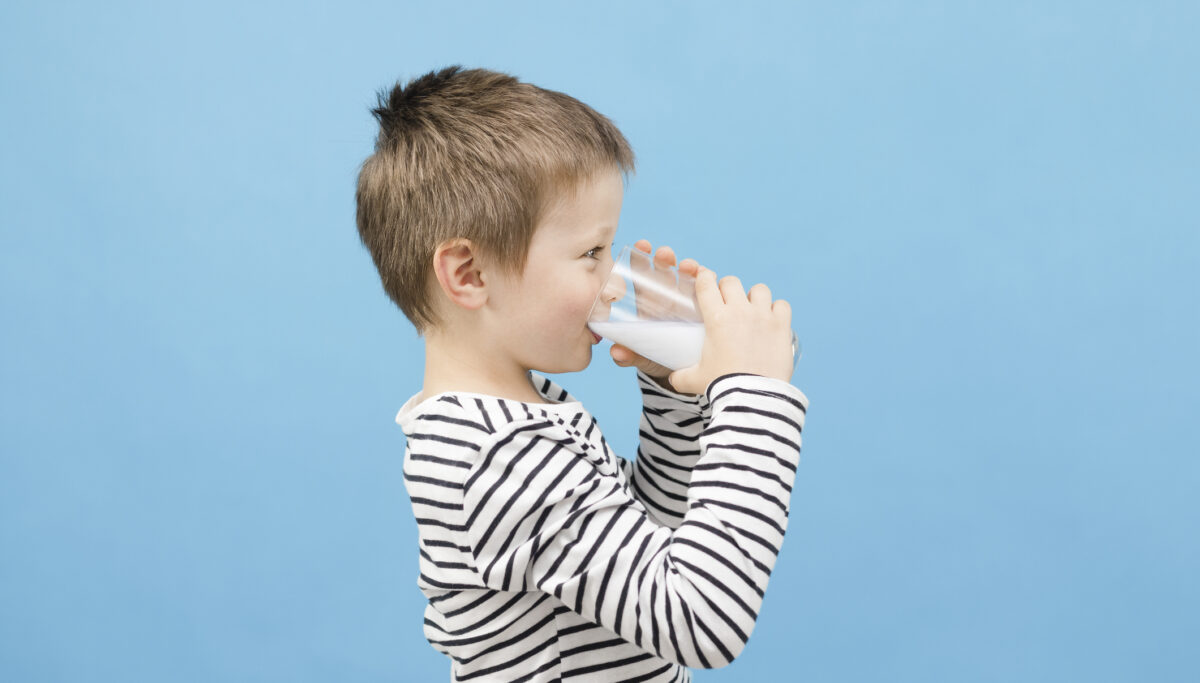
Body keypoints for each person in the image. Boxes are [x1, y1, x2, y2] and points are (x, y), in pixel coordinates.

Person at [356, 65, 810, 682]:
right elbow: (698, 620)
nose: (613, 280)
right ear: (469, 274)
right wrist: (756, 401)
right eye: (592, 254)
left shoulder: (518, 418)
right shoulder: (500, 455)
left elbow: (651, 544)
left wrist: (675, 397)